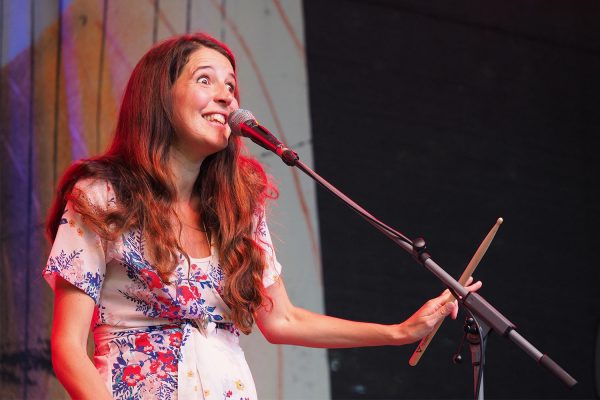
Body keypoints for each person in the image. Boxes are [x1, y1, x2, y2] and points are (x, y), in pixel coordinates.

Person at [43, 32, 482, 400]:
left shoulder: (237, 210)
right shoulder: (103, 197)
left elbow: (282, 319)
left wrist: (399, 332)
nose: (225, 96)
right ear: (158, 96)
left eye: (231, 86)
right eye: (205, 79)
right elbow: (67, 346)